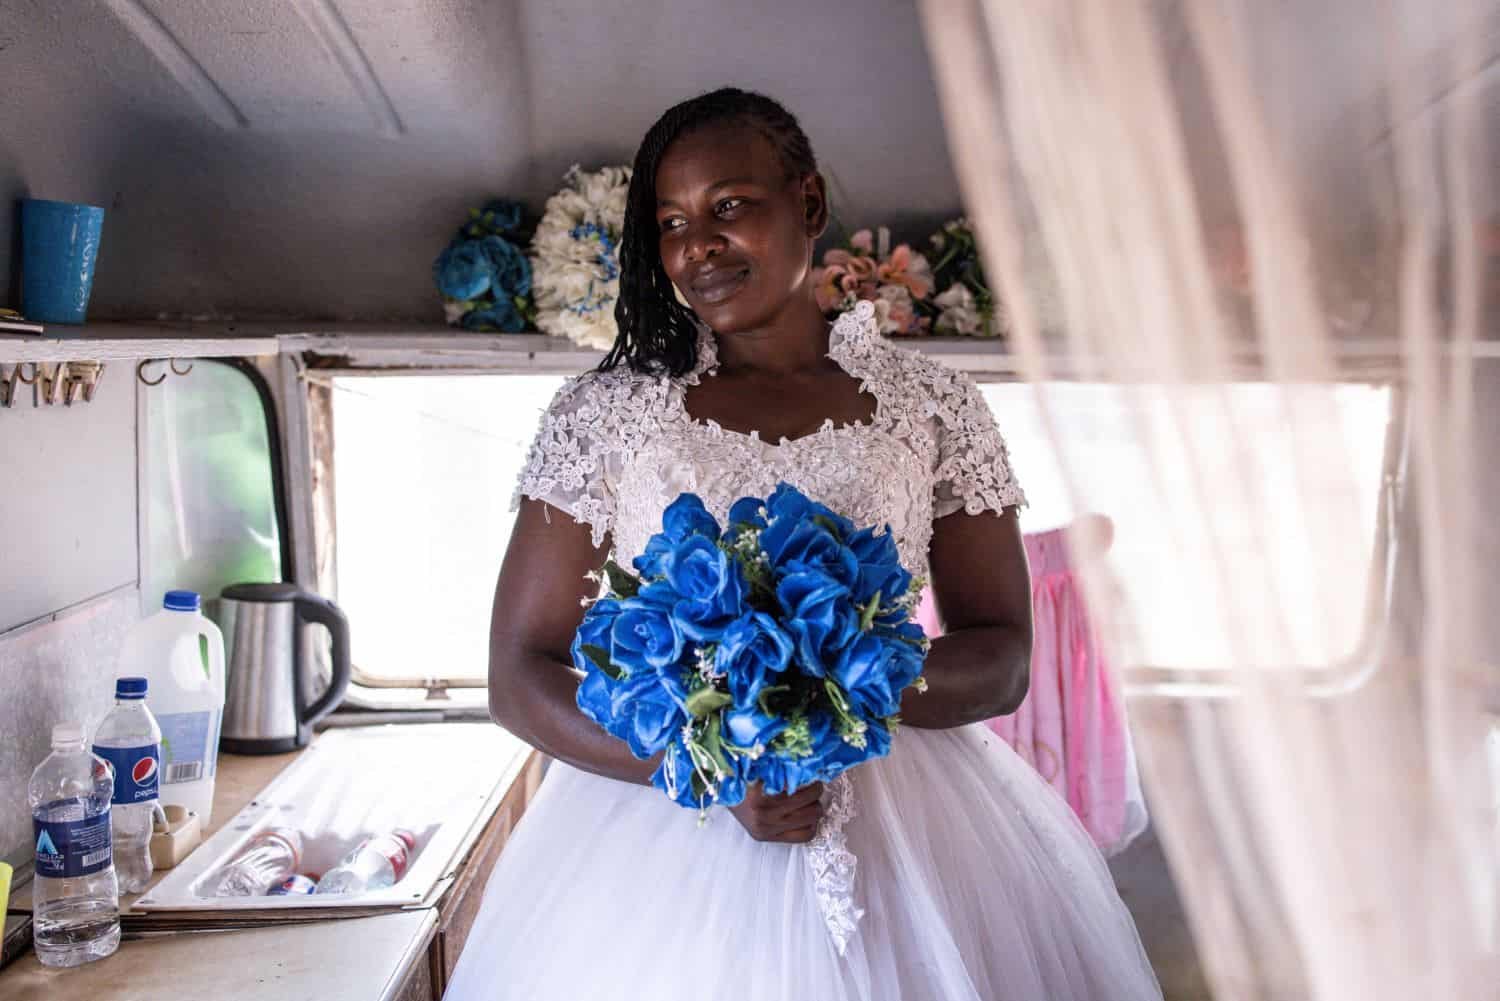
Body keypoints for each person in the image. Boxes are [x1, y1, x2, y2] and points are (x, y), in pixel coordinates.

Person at [443, 87, 1162, 1001]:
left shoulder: (934, 408)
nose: (697, 244)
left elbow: (1004, 654)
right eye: (670, 222)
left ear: (809, 205)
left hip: (919, 829)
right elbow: (520, 672)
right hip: (662, 839)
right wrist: (709, 765)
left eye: (729, 207)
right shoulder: (608, 416)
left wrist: (834, 694)